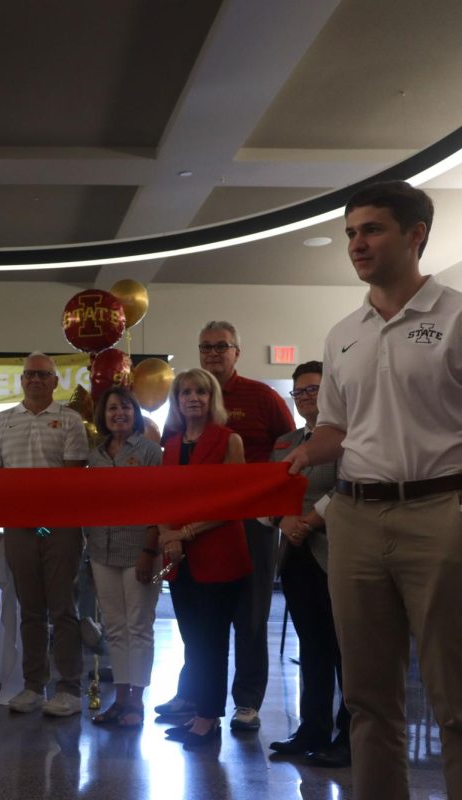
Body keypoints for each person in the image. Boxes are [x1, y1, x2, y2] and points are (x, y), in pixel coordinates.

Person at [286, 180, 462, 800]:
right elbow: (336, 426)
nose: (357, 244)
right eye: (351, 233)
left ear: (416, 234)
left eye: (372, 229)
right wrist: (306, 452)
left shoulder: (457, 316)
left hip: (441, 512)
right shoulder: (343, 334)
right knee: (365, 698)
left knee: (454, 694)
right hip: (354, 522)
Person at [156, 321, 294, 733]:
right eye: (205, 347)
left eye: (221, 346)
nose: (213, 353)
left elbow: (289, 449)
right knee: (199, 618)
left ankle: (246, 702)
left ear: (237, 351)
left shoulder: (262, 396)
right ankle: (194, 695)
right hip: (189, 525)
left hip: (248, 519)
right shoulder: (181, 417)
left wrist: (271, 503)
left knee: (249, 615)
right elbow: (169, 470)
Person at [0, 352, 88, 716]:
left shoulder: (70, 420)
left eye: (43, 374)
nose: (36, 380)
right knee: (30, 609)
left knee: (63, 608)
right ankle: (32, 686)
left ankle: (70, 688)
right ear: (21, 380)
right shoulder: (1, 420)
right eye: (29, 374)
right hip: (19, 528)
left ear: (55, 382)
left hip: (59, 528)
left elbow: (72, 477)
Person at [158, 368, 251, 749]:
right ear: (176, 401)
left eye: (200, 391)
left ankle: (208, 720)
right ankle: (199, 713)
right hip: (181, 559)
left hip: (219, 555)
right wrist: (167, 534)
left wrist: (185, 532)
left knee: (212, 642)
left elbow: (236, 500)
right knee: (193, 642)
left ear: (212, 398)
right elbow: (165, 497)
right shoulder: (172, 443)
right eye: (184, 392)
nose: (192, 398)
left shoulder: (229, 440)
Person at [267, 361, 350, 766]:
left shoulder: (346, 438)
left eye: (313, 389)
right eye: (298, 392)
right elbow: (268, 493)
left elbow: (346, 488)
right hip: (295, 554)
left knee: (343, 650)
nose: (305, 397)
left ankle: (348, 738)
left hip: (336, 551)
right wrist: (284, 519)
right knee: (312, 646)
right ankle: (311, 730)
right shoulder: (285, 441)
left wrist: (310, 519)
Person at [83, 386, 163, 728]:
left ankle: (136, 702)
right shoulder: (95, 455)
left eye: (126, 408)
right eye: (113, 408)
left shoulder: (149, 451)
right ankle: (120, 698)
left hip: (139, 549)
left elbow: (158, 504)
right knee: (114, 628)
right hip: (101, 548)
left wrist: (149, 550)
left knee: (139, 625)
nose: (119, 413)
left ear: (136, 413)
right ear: (103, 414)